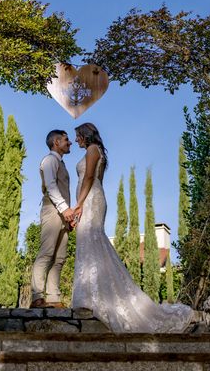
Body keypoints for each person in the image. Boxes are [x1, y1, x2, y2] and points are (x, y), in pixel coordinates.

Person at [71, 122, 194, 332]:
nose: (76, 140)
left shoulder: (92, 149)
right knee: (92, 245)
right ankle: (92, 295)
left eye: (77, 136)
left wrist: (79, 204)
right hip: (94, 198)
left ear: (85, 135)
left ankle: (95, 297)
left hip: (90, 200)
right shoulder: (97, 150)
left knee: (92, 242)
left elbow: (90, 177)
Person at [30, 129, 75, 308]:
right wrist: (65, 209)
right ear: (56, 142)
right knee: (46, 253)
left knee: (60, 257)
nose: (69, 142)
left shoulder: (61, 163)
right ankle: (37, 297)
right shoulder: (49, 160)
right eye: (66, 139)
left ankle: (53, 297)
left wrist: (69, 217)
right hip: (52, 210)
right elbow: (50, 186)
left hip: (63, 214)